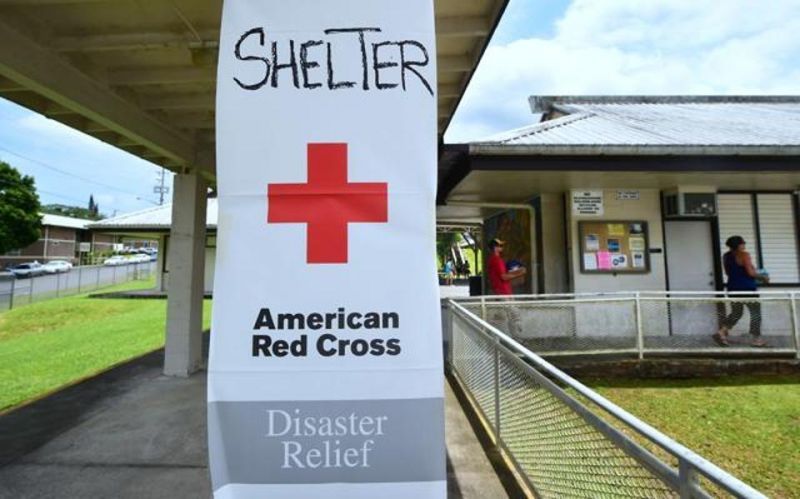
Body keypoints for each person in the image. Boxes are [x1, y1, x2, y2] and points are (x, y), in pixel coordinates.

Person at [714, 235, 766, 347]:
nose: (744, 245)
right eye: (743, 243)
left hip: (733, 287)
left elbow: (728, 273)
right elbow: (751, 273)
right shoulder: (744, 255)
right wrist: (763, 277)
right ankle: (756, 339)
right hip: (747, 288)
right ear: (739, 245)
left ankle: (722, 331)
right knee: (755, 313)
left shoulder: (726, 256)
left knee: (737, 312)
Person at [486, 238, 526, 336]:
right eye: (500, 246)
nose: (502, 248)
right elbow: (504, 277)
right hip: (504, 293)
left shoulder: (492, 260)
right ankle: (517, 339)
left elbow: (503, 275)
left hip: (500, 292)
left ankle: (489, 335)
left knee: (500, 317)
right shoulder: (497, 260)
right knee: (515, 316)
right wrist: (520, 273)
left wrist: (515, 272)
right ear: (495, 248)